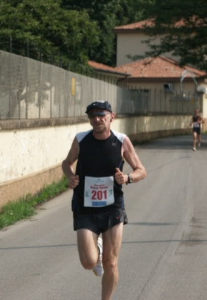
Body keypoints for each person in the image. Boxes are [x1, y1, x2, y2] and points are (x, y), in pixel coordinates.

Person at [62, 100, 147, 300]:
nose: (97, 119)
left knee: (111, 263)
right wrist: (70, 176)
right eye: (93, 116)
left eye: (101, 115)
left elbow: (141, 170)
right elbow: (67, 163)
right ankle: (97, 251)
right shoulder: (81, 140)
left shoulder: (121, 140)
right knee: (89, 262)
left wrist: (128, 178)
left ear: (111, 117)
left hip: (113, 208)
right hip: (85, 208)